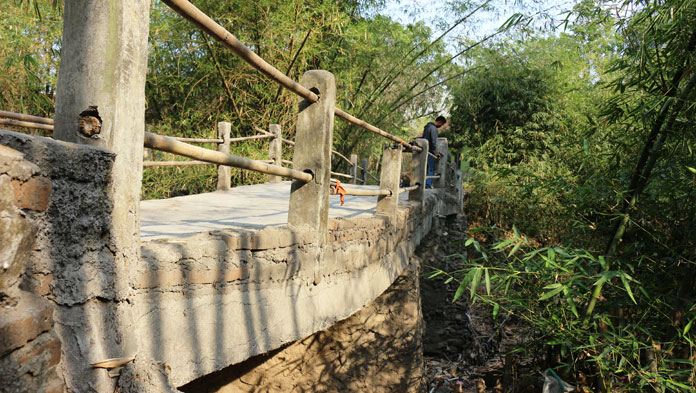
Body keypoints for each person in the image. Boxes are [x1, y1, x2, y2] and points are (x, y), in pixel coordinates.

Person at [422, 115, 447, 188]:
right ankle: (427, 185)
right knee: (431, 169)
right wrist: (436, 152)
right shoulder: (433, 128)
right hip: (430, 152)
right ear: (439, 122)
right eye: (441, 125)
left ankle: (423, 184)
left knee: (425, 168)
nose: (441, 126)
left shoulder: (427, 127)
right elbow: (434, 141)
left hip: (424, 151)